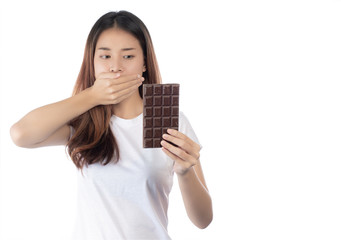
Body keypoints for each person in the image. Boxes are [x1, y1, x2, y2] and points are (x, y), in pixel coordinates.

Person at [10, 10, 212, 239]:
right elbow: (20, 134)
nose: (115, 67)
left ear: (144, 63)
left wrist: (185, 173)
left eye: (128, 56)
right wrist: (92, 97)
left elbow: (203, 220)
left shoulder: (170, 121)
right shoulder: (85, 122)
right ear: (93, 62)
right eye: (105, 56)